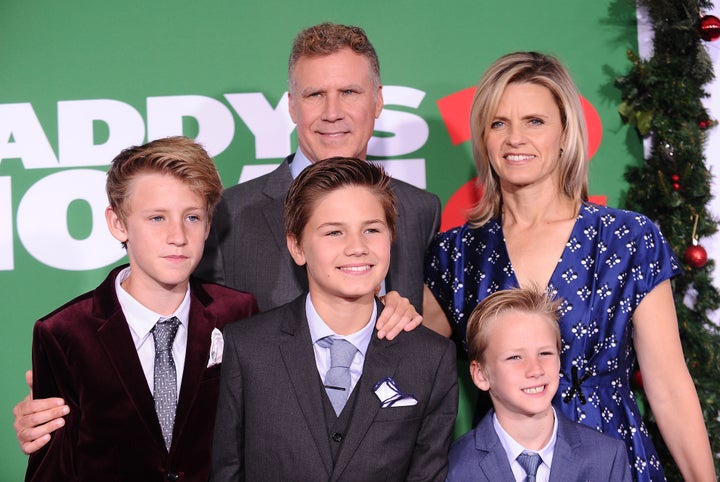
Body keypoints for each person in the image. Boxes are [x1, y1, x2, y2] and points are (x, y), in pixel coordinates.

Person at [13, 22, 437, 454]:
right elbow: (172, 329)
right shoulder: (229, 213)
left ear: (379, 100)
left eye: (349, 92)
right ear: (292, 106)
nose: (333, 111)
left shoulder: (421, 209)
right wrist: (61, 404)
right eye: (314, 95)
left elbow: (430, 349)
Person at [424, 51, 715, 481]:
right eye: (498, 123)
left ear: (565, 133)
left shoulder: (628, 238)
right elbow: (412, 376)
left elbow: (670, 389)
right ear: (483, 138)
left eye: (534, 121)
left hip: (616, 462)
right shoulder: (456, 253)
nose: (514, 138)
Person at [24, 137, 259, 481]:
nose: (177, 235)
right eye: (157, 218)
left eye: (192, 217)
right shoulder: (63, 332)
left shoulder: (238, 312)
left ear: (209, 225)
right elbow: (53, 467)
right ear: (118, 223)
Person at [210, 157, 457, 481]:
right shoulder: (248, 348)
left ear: (391, 237)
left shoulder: (430, 357)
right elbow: (228, 472)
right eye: (334, 232)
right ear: (297, 246)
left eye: (371, 229)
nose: (357, 247)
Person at [446, 286, 632, 482]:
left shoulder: (607, 457)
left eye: (545, 353)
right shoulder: (455, 467)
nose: (535, 370)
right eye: (515, 357)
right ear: (481, 375)